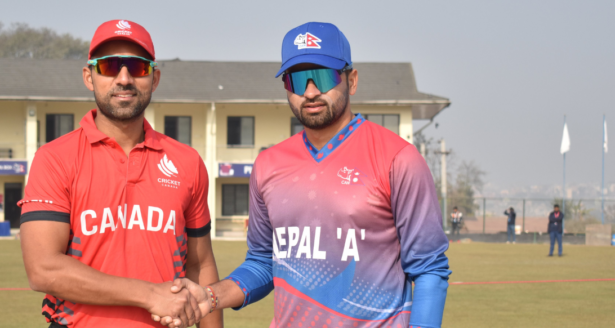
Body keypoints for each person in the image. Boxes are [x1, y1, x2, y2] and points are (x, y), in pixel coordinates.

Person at [154, 22, 450, 328]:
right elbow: (262, 263)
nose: (310, 91)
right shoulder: (268, 164)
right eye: (296, 79)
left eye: (322, 76)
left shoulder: (397, 158)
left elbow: (429, 269)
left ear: (352, 80)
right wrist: (210, 296)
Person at [19, 20, 222, 328]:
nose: (124, 78)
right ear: (89, 77)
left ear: (154, 79)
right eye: (110, 66)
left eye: (138, 68)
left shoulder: (187, 162)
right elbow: (44, 269)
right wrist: (149, 294)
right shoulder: (54, 159)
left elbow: (199, 264)